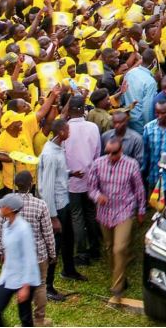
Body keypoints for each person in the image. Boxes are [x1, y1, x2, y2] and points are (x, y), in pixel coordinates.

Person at [85, 134, 146, 302]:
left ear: (121, 150)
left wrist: (141, 210)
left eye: (114, 153)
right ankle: (120, 277)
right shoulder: (98, 164)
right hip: (105, 213)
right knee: (109, 247)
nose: (111, 156)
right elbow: (91, 188)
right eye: (108, 153)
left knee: (119, 249)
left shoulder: (131, 165)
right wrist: (98, 196)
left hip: (124, 211)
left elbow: (139, 189)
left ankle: (117, 289)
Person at [0, 170, 59, 322]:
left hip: (15, 258)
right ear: (31, 184)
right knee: (41, 285)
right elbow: (48, 233)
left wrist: (2, 250)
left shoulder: (7, 205)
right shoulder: (40, 205)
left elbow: (0, 231)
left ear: (15, 185)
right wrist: (52, 253)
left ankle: (26, 318)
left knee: (20, 287)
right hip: (38, 255)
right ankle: (39, 318)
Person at [38, 118, 84, 284]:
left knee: (68, 239)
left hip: (64, 201)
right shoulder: (50, 154)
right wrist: (53, 217)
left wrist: (70, 173)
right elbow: (47, 187)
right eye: (68, 130)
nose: (70, 132)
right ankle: (48, 285)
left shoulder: (58, 148)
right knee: (54, 247)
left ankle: (69, 270)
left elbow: (58, 173)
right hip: (56, 207)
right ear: (61, 132)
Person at [63, 97, 103, 267]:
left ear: (70, 110)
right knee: (91, 213)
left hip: (72, 179)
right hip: (90, 177)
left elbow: (62, 155)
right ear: (83, 110)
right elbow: (98, 153)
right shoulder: (92, 127)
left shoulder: (65, 129)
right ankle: (95, 248)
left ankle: (81, 253)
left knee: (77, 216)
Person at [0, 193, 39, 328]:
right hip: (9, 275)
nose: (0, 209)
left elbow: (30, 257)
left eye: (2, 206)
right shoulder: (6, 226)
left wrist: (25, 287)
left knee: (25, 319)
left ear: (10, 209)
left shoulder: (24, 228)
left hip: (24, 278)